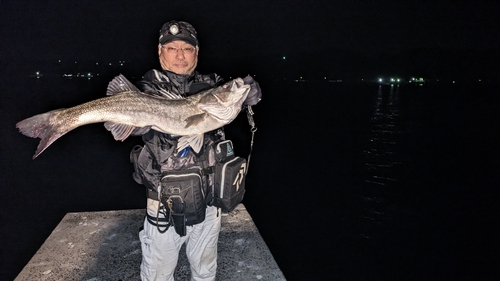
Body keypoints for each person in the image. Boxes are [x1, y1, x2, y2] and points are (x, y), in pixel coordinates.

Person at [130, 20, 262, 281]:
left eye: (187, 49)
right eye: (172, 48)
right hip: (164, 207)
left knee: (204, 273)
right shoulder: (148, 87)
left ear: (196, 53)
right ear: (160, 52)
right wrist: (131, 123)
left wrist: (249, 89)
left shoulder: (211, 83)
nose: (180, 55)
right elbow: (137, 121)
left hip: (210, 204)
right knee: (158, 276)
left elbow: (239, 90)